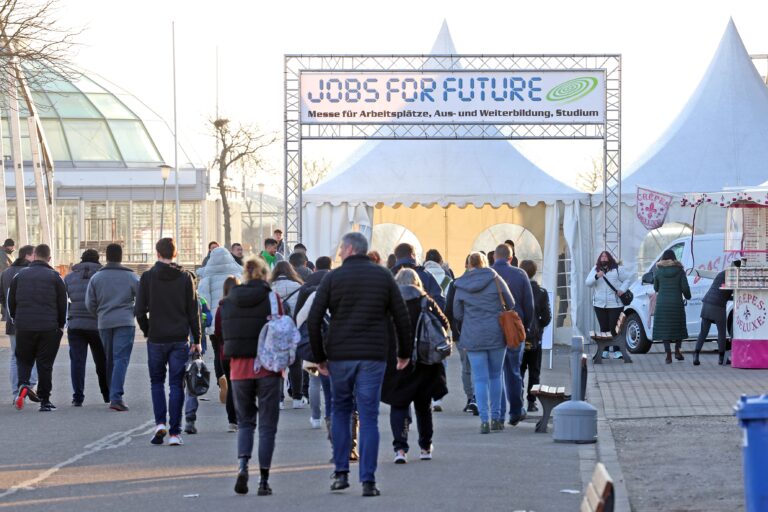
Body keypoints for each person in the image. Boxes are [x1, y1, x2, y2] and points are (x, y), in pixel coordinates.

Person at [308, 232, 411, 497]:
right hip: (373, 357)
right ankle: (368, 480)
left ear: (352, 248)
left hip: (340, 356)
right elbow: (401, 316)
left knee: (341, 410)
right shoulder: (384, 276)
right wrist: (404, 353)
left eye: (341, 247)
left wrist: (320, 357)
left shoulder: (333, 278)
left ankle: (341, 473)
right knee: (369, 417)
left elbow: (314, 318)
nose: (339, 252)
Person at [221, 256, 283, 496]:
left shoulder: (229, 300)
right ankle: (264, 480)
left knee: (245, 422)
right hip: (268, 367)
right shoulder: (272, 299)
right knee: (267, 426)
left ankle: (243, 465)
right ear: (265, 274)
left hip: (239, 368)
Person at [135, 238, 201, 446]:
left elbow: (139, 310)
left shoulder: (147, 277)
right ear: (175, 253)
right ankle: (175, 432)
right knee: (176, 385)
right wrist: (197, 339)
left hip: (156, 338)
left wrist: (148, 330)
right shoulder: (184, 278)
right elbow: (193, 312)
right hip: (179, 338)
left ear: (157, 253)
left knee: (156, 382)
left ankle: (160, 423)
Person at [382, 269, 449, 464]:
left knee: (399, 404)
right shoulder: (426, 301)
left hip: (397, 361)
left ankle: (400, 449)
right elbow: (444, 323)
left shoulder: (389, 303)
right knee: (423, 406)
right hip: (425, 360)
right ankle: (425, 447)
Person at [453, 252, 515, 434]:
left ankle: (484, 421)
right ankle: (496, 418)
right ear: (485, 262)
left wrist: (471, 317)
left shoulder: (461, 285)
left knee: (479, 379)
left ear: (469, 265)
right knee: (496, 376)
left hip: (473, 335)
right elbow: (510, 303)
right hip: (496, 334)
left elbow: (457, 313)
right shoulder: (496, 279)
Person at [9, 244, 67, 412]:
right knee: (45, 364)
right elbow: (63, 304)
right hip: (48, 327)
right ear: (49, 258)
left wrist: (16, 319)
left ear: (34, 256)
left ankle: (23, 384)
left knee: (24, 360)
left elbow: (11, 301)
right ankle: (45, 401)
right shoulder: (55, 277)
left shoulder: (20, 276)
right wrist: (61, 325)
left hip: (24, 326)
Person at [86, 243, 140, 412]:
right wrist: (132, 312)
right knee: (121, 359)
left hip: (104, 322)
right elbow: (142, 299)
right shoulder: (131, 277)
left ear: (106, 257)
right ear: (121, 256)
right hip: (124, 322)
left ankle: (112, 394)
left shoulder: (96, 278)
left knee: (109, 359)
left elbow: (90, 303)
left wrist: (100, 315)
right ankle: (116, 397)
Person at [492, 243, 534, 426]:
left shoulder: (488, 274)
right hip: (514, 329)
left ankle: (498, 414)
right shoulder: (520, 274)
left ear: (494, 257)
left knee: (496, 374)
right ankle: (516, 410)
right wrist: (526, 326)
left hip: (493, 329)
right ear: (511, 257)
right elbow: (529, 305)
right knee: (514, 371)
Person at [196, 246, 243, 403]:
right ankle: (233, 379)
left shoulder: (207, 277)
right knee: (235, 352)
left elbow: (203, 300)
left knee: (218, 352)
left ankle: (221, 378)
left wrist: (206, 322)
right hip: (235, 319)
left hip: (217, 319)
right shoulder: (237, 274)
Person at [64, 249, 109, 407]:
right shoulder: (102, 277)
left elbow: (64, 300)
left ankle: (78, 397)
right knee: (102, 361)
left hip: (75, 324)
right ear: (98, 260)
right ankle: (107, 394)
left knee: (77, 361)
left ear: (81, 260)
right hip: (97, 325)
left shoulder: (69, 277)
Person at [0, 244, 36, 402]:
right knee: (33, 355)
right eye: (34, 255)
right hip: (30, 320)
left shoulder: (6, 273)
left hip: (12, 321)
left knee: (15, 357)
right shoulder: (31, 273)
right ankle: (30, 386)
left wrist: (8, 312)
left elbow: (1, 296)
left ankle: (16, 393)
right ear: (28, 256)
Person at [585, 251, 633, 359]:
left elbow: (628, 279)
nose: (603, 258)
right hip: (599, 304)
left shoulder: (617, 269)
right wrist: (596, 276)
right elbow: (587, 283)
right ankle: (605, 351)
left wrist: (622, 289)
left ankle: (617, 350)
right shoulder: (595, 269)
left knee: (614, 328)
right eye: (602, 256)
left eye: (606, 256)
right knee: (604, 328)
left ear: (610, 258)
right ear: (599, 258)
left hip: (615, 304)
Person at [445, 254, 477, 415]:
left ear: (466, 264)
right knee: (480, 366)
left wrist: (455, 332)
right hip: (481, 331)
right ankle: (477, 397)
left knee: (467, 367)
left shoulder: (455, 284)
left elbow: (449, 310)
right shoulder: (492, 282)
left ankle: (471, 397)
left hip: (461, 331)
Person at [518, 260, 551, 413]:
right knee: (534, 371)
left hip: (518, 336)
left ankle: (517, 400)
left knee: (518, 370)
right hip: (535, 337)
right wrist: (539, 326)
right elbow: (547, 317)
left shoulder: (515, 290)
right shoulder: (542, 292)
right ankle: (532, 402)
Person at [270, 261, 304, 408]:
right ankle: (297, 398)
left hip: (276, 330)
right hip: (294, 329)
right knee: (296, 365)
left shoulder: (269, 289)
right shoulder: (299, 288)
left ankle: (279, 400)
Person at [652, 249, 691, 364]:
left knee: (665, 328)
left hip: (662, 304)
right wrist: (688, 296)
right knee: (678, 327)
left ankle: (668, 354)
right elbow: (684, 287)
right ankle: (677, 351)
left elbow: (656, 288)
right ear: (674, 258)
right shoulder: (679, 270)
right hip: (676, 303)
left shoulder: (658, 270)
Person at [213, 276, 240, 432]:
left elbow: (217, 331)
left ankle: (232, 421)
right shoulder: (243, 305)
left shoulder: (221, 307)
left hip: (225, 351)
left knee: (231, 386)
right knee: (241, 386)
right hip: (241, 351)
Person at [694, 265, 734, 366]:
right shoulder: (733, 277)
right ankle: (721, 358)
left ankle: (696, 355)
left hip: (707, 302)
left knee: (703, 332)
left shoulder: (721, 274)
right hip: (718, 306)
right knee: (721, 333)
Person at [391, 243, 445, 310]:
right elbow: (439, 301)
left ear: (396, 257)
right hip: (421, 318)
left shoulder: (389, 276)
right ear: (412, 255)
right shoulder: (425, 275)